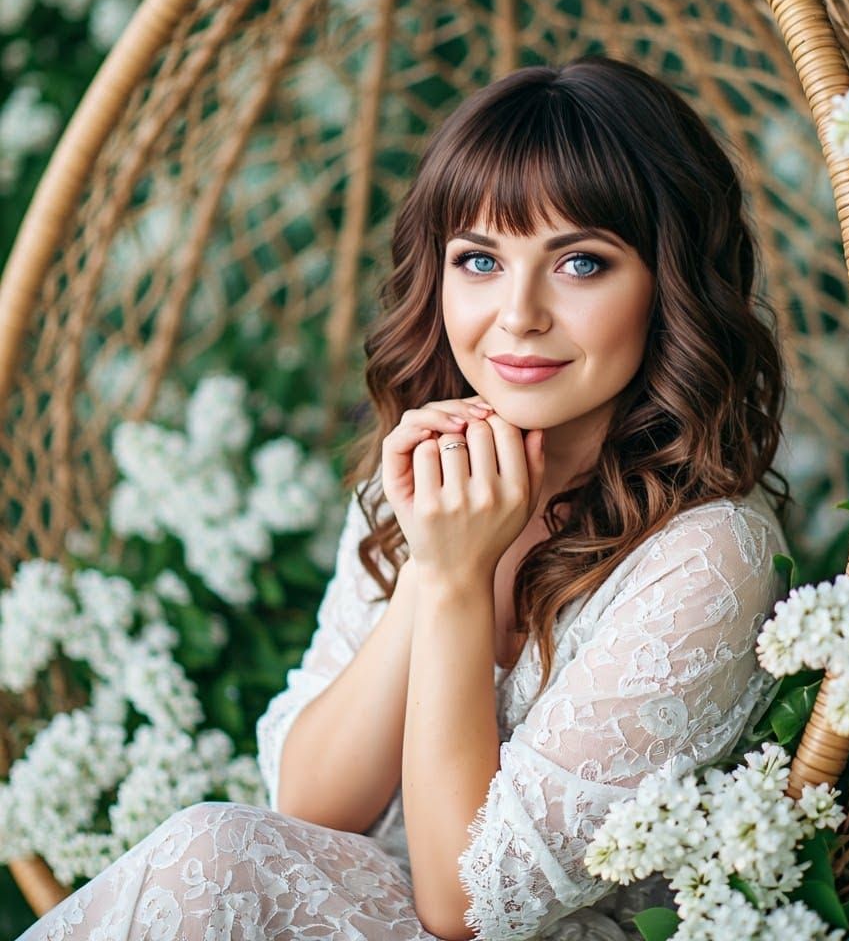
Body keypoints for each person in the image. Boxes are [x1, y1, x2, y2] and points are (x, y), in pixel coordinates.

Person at [19, 53, 793, 941]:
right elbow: (310, 804)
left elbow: (468, 908)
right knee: (218, 849)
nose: (518, 314)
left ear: (671, 286)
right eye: (480, 260)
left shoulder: (710, 556)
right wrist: (433, 563)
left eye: (580, 263)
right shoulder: (429, 481)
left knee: (218, 855)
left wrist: (461, 583)